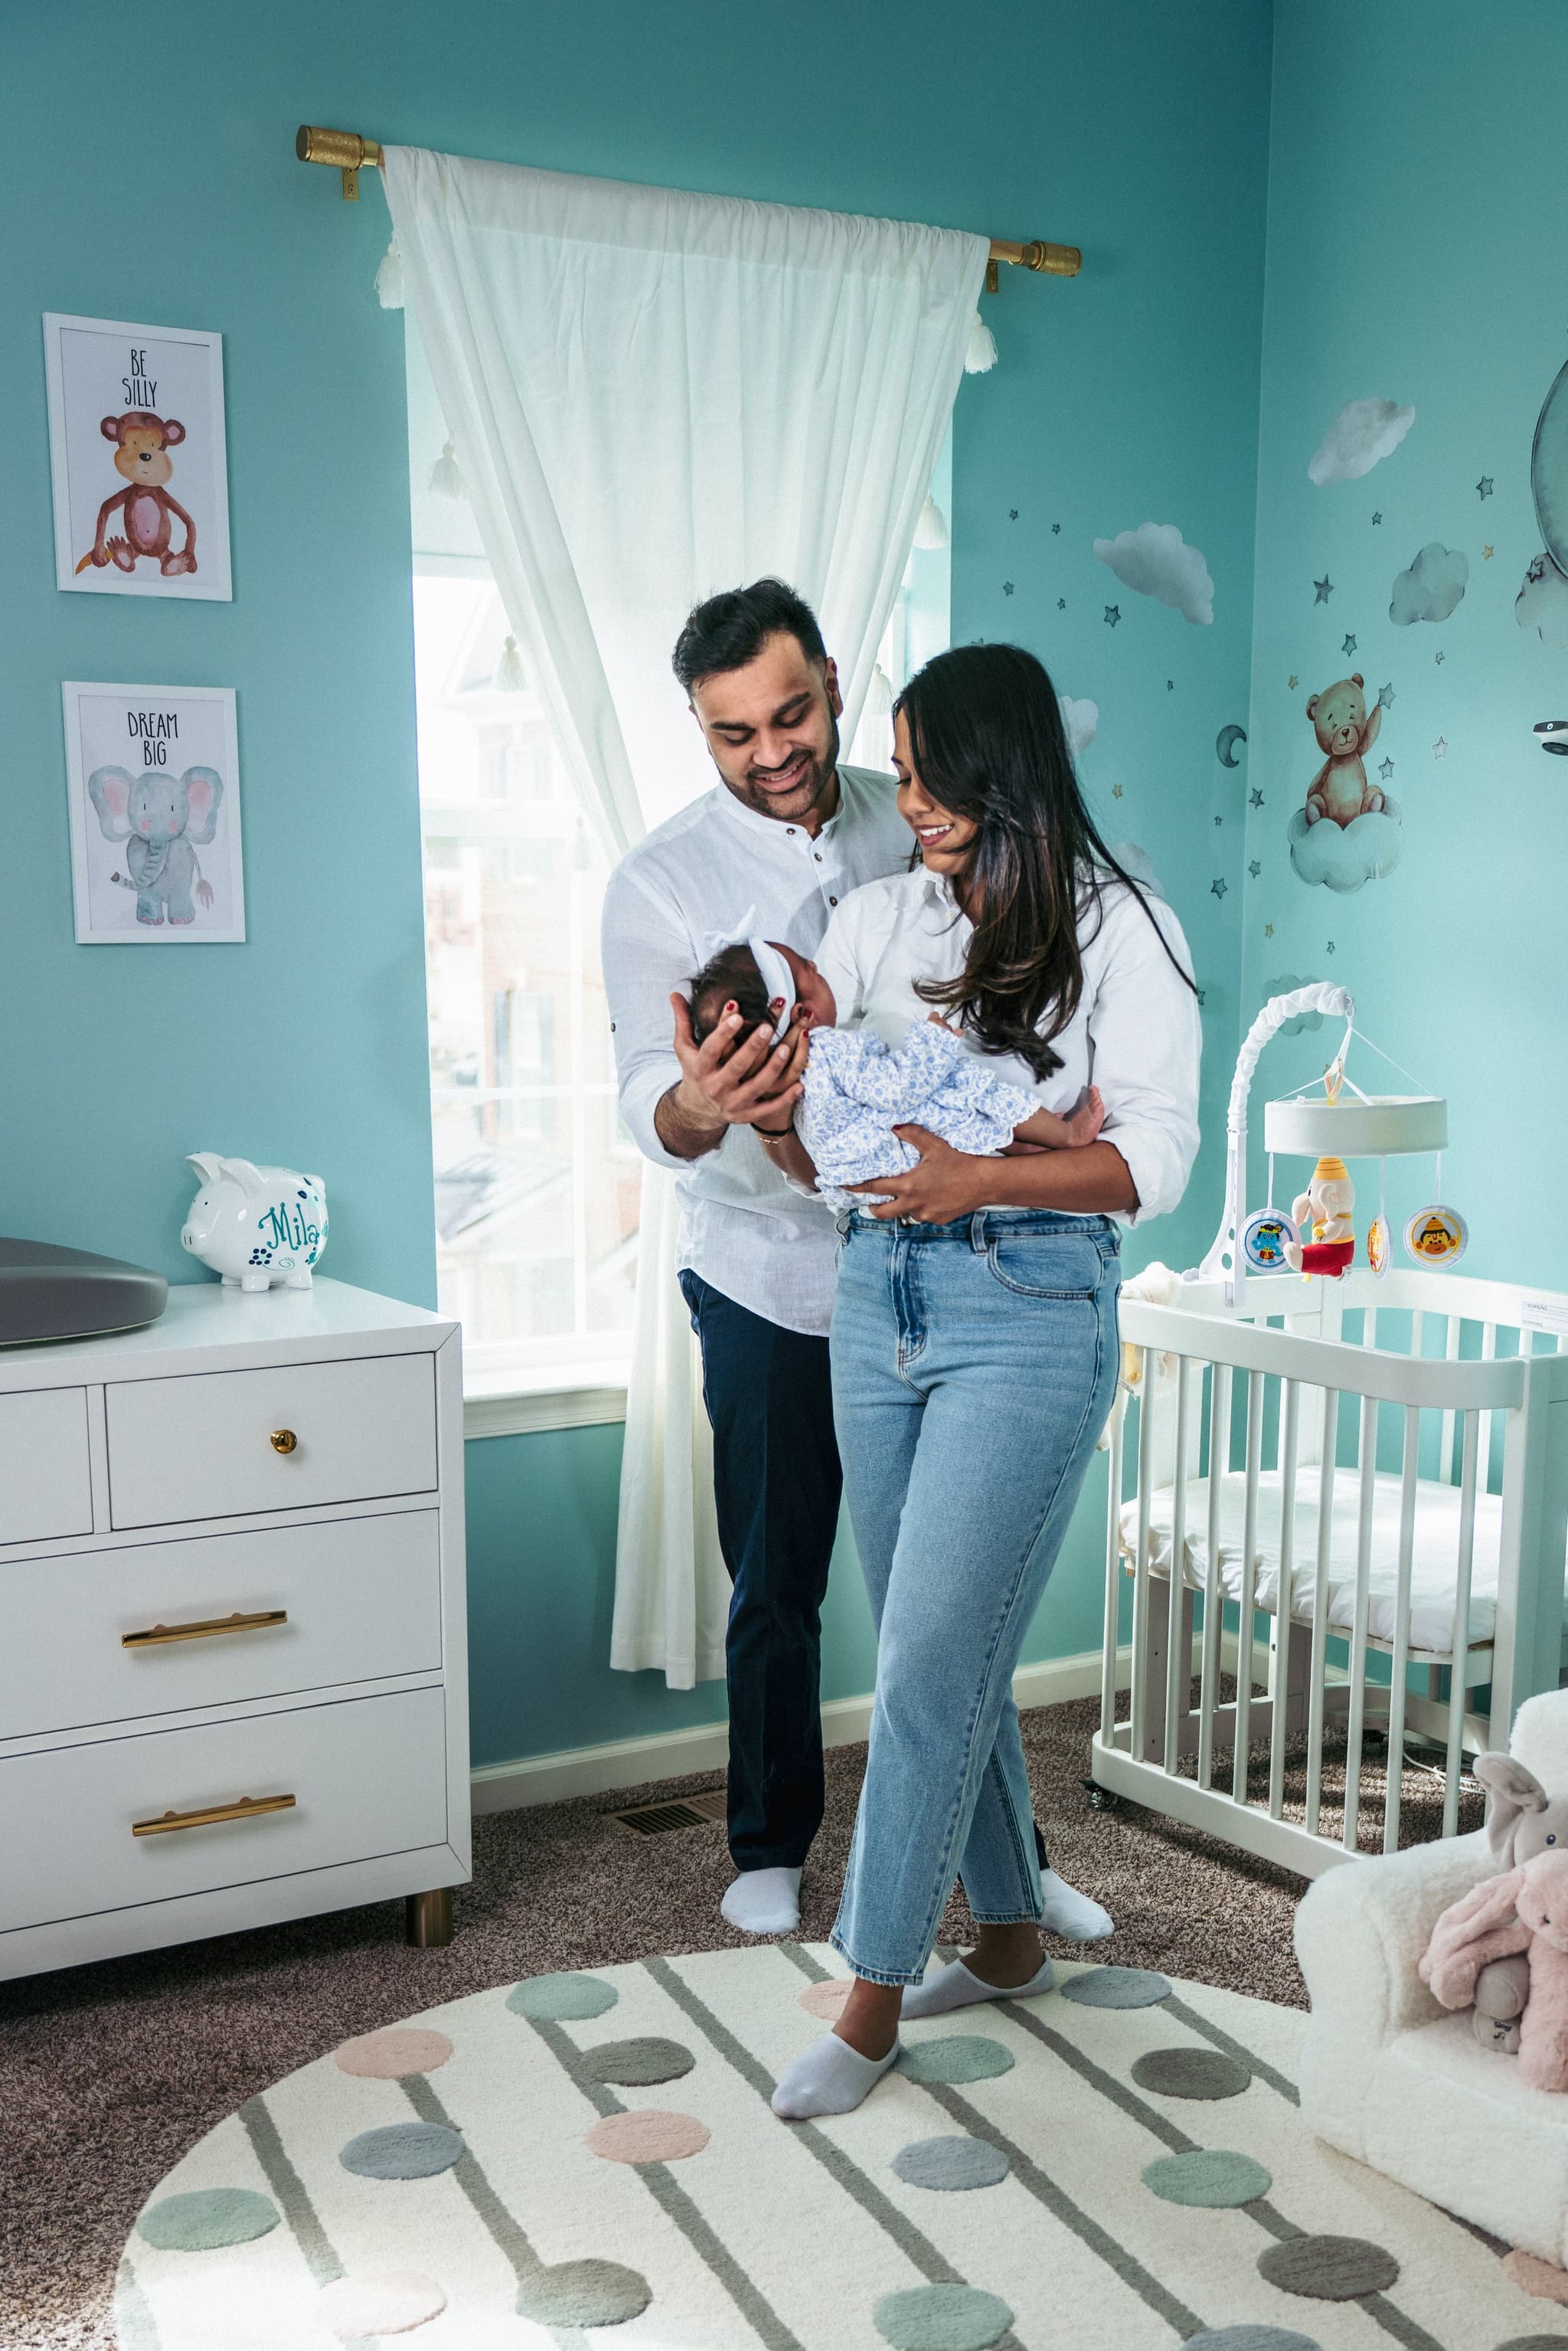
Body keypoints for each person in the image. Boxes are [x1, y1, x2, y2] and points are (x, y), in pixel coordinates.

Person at [603, 584, 1112, 1945]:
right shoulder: (660, 882)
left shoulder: (925, 808)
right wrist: (714, 1101)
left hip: (946, 1264)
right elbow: (646, 1106)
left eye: (791, 714)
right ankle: (769, 1839)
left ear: (830, 681)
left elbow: (1012, 986)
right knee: (779, 1580)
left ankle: (1010, 1867)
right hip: (771, 1275)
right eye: (731, 736)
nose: (769, 752)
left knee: (954, 1588)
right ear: (697, 733)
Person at [759, 643, 1202, 2120]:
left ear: (1004, 767)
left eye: (936, 773)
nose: (914, 800)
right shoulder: (880, 916)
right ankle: (1008, 1939)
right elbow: (834, 1128)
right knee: (934, 1648)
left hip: (1027, 1301)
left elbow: (1149, 1160)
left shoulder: (1123, 929)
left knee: (926, 1665)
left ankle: (871, 1991)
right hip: (874, 1290)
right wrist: (777, 1092)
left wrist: (988, 1172)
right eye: (905, 769)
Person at [682, 935, 1105, 1205]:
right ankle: (1065, 1135)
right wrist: (933, 1042)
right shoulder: (828, 1050)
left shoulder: (784, 1080)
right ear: (803, 1011)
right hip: (892, 1149)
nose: (817, 966)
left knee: (955, 1115)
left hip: (860, 1175)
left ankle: (1025, 1149)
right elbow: (896, 1091)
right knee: (965, 1086)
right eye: (810, 971)